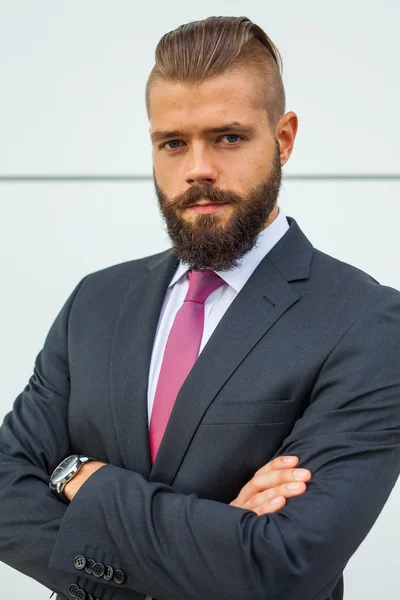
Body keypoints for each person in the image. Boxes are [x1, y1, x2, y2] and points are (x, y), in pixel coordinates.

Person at [0, 15, 399, 600]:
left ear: (283, 138)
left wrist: (84, 480)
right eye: (173, 143)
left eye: (228, 137)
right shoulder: (96, 301)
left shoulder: (366, 322)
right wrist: (218, 534)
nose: (198, 169)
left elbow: (285, 564)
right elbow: (6, 493)